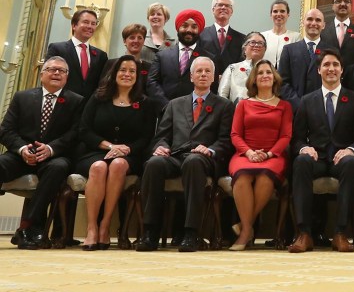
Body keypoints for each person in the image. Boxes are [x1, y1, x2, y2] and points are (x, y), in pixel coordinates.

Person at [136, 57, 235, 252]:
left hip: (204, 158)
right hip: (175, 156)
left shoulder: (224, 105)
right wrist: (161, 146)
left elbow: (226, 140)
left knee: (193, 161)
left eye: (207, 71)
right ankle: (150, 231)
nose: (203, 74)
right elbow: (161, 136)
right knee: (154, 163)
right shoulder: (174, 104)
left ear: (214, 77)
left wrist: (210, 149)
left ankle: (191, 232)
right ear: (191, 76)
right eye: (199, 71)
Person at [0, 57, 84, 249]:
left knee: (59, 167)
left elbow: (76, 133)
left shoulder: (76, 101)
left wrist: (51, 148)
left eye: (62, 71)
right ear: (42, 74)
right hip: (22, 154)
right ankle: (31, 229)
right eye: (52, 69)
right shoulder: (23, 97)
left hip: (54, 156)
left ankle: (27, 227)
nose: (57, 73)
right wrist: (22, 149)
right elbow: (5, 130)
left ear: (67, 76)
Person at [75, 55, 157, 250]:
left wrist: (127, 149)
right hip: (96, 151)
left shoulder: (145, 103)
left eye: (131, 71)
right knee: (99, 167)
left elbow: (146, 137)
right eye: (123, 70)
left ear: (137, 77)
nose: (127, 74)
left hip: (130, 155)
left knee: (119, 165)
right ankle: (92, 228)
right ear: (114, 73)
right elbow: (84, 130)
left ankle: (105, 225)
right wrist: (110, 147)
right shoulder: (98, 97)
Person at [288, 49, 354, 253]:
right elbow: (296, 138)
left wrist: (351, 150)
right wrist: (305, 148)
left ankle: (340, 233)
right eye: (326, 65)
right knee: (301, 161)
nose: (331, 69)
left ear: (342, 71)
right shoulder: (307, 100)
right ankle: (304, 233)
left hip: (342, 159)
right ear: (318, 70)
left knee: (352, 164)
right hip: (317, 158)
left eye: (335, 65)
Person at [228, 60, 293, 251]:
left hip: (273, 156)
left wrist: (269, 154)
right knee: (242, 177)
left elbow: (286, 136)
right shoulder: (243, 104)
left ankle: (244, 229)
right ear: (254, 80)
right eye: (260, 73)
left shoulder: (284, 106)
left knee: (265, 176)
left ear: (274, 78)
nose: (265, 75)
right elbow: (235, 134)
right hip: (245, 153)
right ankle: (248, 229)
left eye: (269, 72)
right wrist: (248, 152)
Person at [146, 9, 216, 110]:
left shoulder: (209, 59)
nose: (189, 30)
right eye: (185, 25)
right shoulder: (162, 56)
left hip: (196, 114)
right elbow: (152, 83)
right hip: (165, 112)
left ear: (199, 30)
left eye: (194, 26)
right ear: (178, 28)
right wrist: (168, 106)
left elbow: (212, 88)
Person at [45, 9, 108, 99]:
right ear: (74, 25)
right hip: (62, 104)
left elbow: (101, 85)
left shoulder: (101, 55)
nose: (90, 26)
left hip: (88, 108)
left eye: (93, 24)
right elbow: (49, 77)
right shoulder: (57, 49)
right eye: (86, 22)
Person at [278, 9, 327, 111]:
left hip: (323, 109)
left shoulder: (331, 51)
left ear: (323, 25)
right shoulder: (289, 50)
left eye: (318, 20)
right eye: (309, 19)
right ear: (303, 22)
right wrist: (299, 104)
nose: (313, 23)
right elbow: (282, 82)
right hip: (296, 111)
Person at [199, 0, 246, 81]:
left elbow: (242, 64)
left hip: (232, 83)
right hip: (206, 82)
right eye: (220, 5)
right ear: (213, 10)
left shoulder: (241, 38)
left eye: (227, 6)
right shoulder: (201, 34)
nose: (223, 7)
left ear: (231, 11)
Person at [320, 0, 354, 66]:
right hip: (329, 75)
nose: (343, 4)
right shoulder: (322, 30)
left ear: (351, 6)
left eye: (346, 1)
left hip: (353, 76)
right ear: (332, 6)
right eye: (338, 1)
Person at [219, 32, 267, 103]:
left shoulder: (270, 70)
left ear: (265, 49)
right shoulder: (232, 68)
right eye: (252, 42)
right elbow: (222, 95)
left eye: (260, 43)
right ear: (244, 48)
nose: (256, 45)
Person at [261, 0, 300, 68]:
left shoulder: (296, 37)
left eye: (282, 11)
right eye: (275, 11)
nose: (278, 14)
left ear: (288, 14)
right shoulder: (262, 36)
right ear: (271, 15)